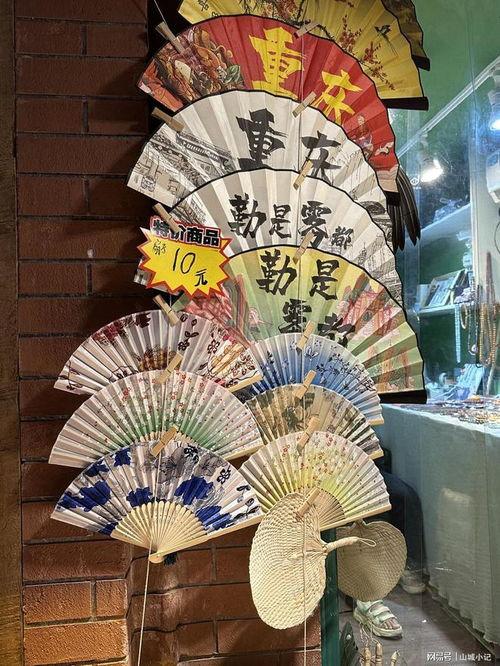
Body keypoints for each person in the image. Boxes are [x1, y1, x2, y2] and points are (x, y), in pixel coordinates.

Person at [353, 469, 426, 638]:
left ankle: (408, 562)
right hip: (327, 477)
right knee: (362, 509)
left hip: (361, 468)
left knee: (404, 495)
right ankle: (367, 595)